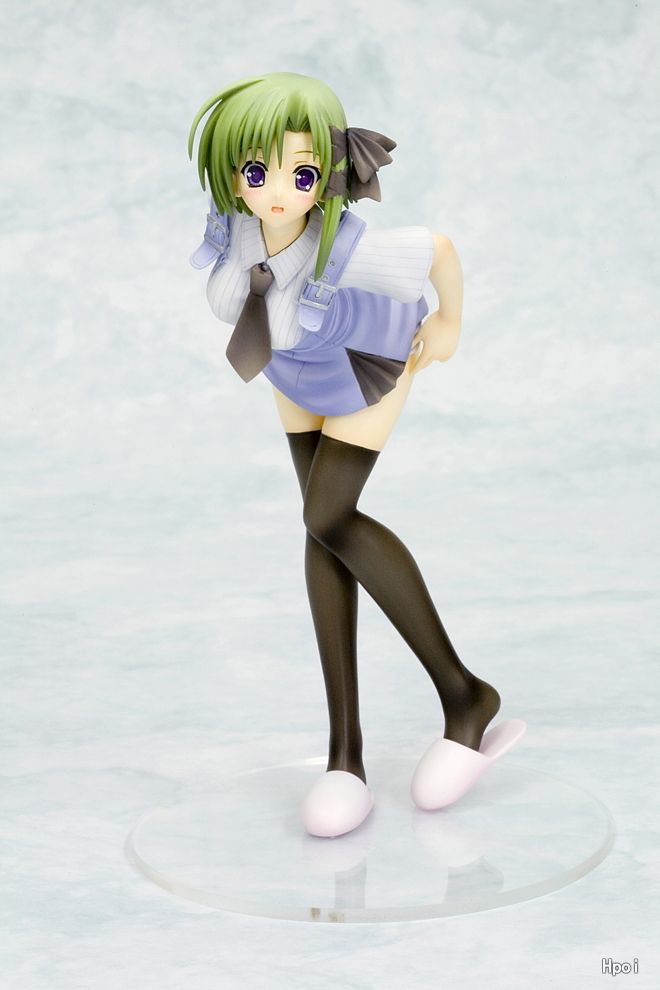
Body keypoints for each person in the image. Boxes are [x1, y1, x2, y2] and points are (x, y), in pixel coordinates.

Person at [188, 72, 525, 838]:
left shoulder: (350, 250)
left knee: (329, 514)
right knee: (321, 532)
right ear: (232, 173)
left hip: (364, 363)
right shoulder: (235, 228)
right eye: (256, 171)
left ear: (329, 174)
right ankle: (346, 756)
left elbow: (438, 249)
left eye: (302, 175)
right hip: (290, 369)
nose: (278, 192)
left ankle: (465, 695)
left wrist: (449, 323)